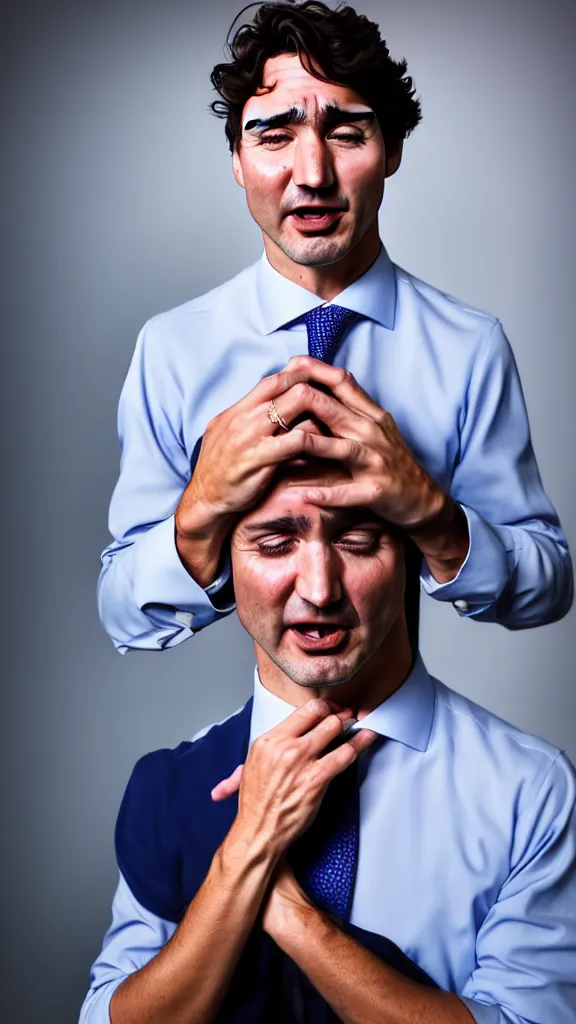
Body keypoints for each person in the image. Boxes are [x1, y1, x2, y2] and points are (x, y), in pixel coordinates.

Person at [98, 0, 572, 655]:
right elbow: (125, 616)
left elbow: (548, 590)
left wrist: (432, 514)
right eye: (273, 135)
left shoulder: (468, 347)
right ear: (236, 159)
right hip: (263, 741)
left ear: (393, 151)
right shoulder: (173, 351)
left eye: (348, 133)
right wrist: (202, 507)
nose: (313, 175)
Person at [80, 456, 576, 1023]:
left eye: (359, 542)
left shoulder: (528, 791)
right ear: (222, 566)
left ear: (411, 553)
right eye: (274, 545)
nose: (318, 590)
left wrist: (285, 906)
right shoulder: (170, 787)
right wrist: (245, 852)